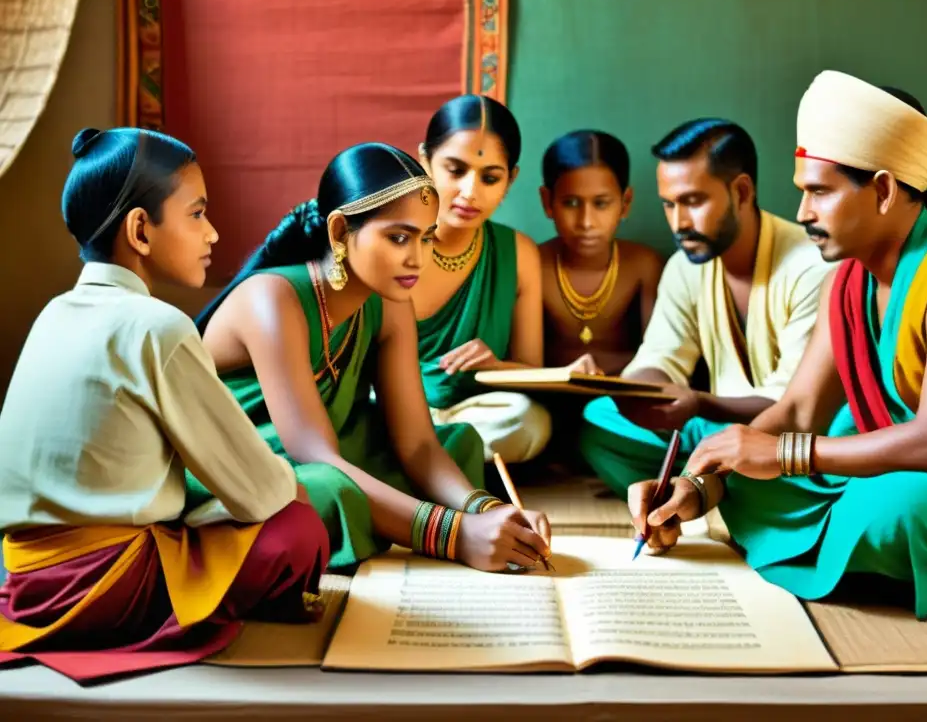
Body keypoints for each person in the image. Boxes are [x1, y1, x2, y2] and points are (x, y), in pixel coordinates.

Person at [630, 71, 927, 622]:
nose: (802, 213)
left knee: (898, 508)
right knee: (749, 463)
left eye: (819, 191)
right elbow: (798, 409)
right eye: (802, 192)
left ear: (883, 190)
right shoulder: (848, 279)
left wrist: (780, 454)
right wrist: (698, 485)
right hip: (897, 462)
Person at [0, 127, 328, 683]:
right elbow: (261, 494)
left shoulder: (52, 313)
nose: (213, 233)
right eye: (196, 214)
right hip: (105, 585)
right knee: (300, 529)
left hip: (22, 574)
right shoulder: (159, 327)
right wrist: (285, 487)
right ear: (140, 230)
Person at [194, 142, 552, 574]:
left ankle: (400, 517)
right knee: (325, 489)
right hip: (245, 458)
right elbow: (316, 455)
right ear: (341, 231)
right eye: (398, 237)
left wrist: (488, 511)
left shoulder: (392, 301)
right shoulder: (271, 299)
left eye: (425, 238)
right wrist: (456, 536)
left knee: (456, 444)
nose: (417, 258)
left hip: (334, 444)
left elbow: (417, 442)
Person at [580, 118, 833, 499]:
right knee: (600, 418)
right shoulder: (686, 266)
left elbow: (798, 405)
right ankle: (703, 485)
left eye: (693, 201)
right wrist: (632, 393)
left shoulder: (813, 266)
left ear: (742, 192)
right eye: (669, 204)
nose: (679, 222)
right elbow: (661, 358)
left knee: (801, 456)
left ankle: (695, 487)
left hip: (787, 439)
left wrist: (700, 402)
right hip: (714, 429)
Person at [415, 95, 598, 465]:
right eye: (455, 170)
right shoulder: (393, 239)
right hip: (386, 408)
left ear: (510, 179)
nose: (471, 191)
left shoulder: (518, 254)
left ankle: (419, 463)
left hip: (470, 413)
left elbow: (528, 368)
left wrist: (494, 365)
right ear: (424, 161)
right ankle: (437, 460)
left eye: (490, 177)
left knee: (526, 421)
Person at [538, 129, 664, 376]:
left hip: (625, 398)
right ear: (547, 202)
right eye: (571, 203)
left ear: (625, 203)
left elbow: (659, 358)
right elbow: (524, 364)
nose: (587, 222)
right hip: (548, 397)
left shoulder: (644, 266)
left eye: (601, 203)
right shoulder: (531, 264)